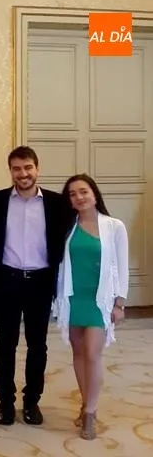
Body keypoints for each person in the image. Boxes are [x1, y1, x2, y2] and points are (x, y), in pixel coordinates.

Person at [0, 145, 70, 426]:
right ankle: (5, 402)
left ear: (37, 169)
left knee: (38, 345)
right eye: (16, 169)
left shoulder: (57, 203)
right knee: (6, 345)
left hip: (40, 282)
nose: (22, 174)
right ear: (10, 171)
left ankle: (32, 401)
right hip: (7, 281)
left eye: (27, 168)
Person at [56, 174, 129, 440]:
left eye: (83, 191)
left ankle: (90, 413)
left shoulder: (114, 226)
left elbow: (122, 265)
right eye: (73, 194)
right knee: (77, 351)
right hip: (74, 297)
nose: (79, 197)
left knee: (92, 353)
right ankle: (86, 404)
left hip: (100, 299)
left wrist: (119, 302)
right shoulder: (69, 226)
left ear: (94, 194)